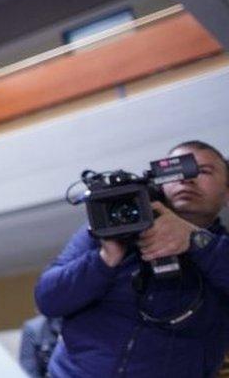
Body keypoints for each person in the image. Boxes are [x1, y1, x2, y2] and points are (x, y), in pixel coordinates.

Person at [35, 140, 229, 377]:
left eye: (204, 171)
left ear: (227, 192)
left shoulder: (220, 250)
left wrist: (197, 241)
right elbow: (48, 299)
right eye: (175, 169)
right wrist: (105, 258)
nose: (186, 178)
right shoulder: (109, 225)